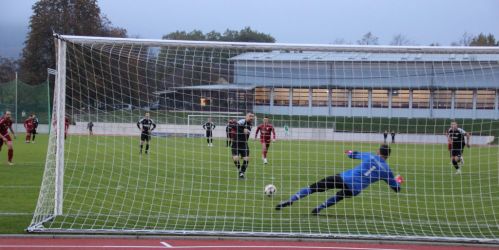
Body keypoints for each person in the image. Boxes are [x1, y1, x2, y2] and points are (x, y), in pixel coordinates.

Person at [276, 144, 403, 215]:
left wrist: (348, 151)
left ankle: (291, 200)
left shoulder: (371, 156)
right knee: (339, 196)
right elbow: (396, 189)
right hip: (355, 189)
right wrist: (398, 179)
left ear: (378, 151)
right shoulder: (387, 171)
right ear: (388, 156)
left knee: (314, 187)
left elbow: (352, 155)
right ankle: (319, 208)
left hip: (345, 178)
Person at [230, 112, 255, 179]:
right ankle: (240, 171)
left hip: (244, 144)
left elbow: (247, 132)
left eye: (252, 117)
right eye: (250, 116)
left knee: (246, 160)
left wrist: (244, 130)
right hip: (236, 143)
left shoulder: (250, 124)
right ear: (246, 116)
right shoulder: (242, 121)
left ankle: (242, 173)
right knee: (235, 158)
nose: (251, 118)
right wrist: (242, 129)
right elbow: (234, 126)